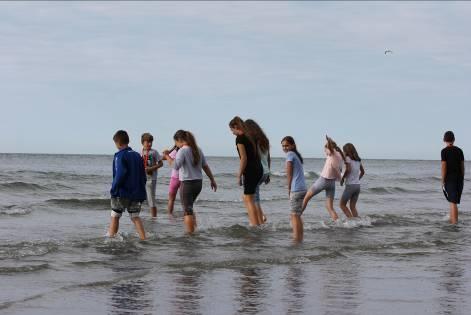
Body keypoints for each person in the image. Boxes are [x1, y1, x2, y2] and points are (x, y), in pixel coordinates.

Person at [163, 130, 217, 233]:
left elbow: (175, 166)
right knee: (189, 208)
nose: (176, 145)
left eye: (176, 143)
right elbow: (205, 166)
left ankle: (190, 235)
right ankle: (194, 229)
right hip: (198, 183)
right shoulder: (198, 149)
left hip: (187, 184)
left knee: (187, 211)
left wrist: (167, 156)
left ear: (179, 140)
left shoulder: (182, 150)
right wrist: (212, 180)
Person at [108, 130, 147, 240]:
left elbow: (120, 174)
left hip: (122, 192)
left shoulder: (119, 155)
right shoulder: (137, 155)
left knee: (115, 215)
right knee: (135, 217)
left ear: (118, 143)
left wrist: (114, 189)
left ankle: (111, 238)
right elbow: (143, 175)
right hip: (137, 193)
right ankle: (144, 238)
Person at [229, 116, 264, 226]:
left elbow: (243, 158)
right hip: (259, 169)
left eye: (232, 130)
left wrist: (239, 175)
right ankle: (258, 224)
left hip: (250, 171)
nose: (232, 133)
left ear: (236, 127)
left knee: (249, 200)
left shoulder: (240, 138)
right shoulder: (251, 136)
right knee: (251, 199)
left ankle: (255, 226)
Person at [302, 136, 344, 221]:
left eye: (325, 149)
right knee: (329, 207)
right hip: (332, 183)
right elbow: (339, 169)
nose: (325, 151)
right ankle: (339, 223)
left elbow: (329, 149)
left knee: (306, 198)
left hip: (323, 180)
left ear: (329, 148)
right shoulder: (340, 155)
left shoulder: (332, 153)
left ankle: (296, 217)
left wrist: (328, 140)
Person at [245, 119, 271, 223]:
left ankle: (258, 221)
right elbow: (268, 157)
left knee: (251, 199)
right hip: (264, 172)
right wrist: (268, 174)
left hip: (255, 172)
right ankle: (261, 218)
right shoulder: (264, 139)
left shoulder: (251, 140)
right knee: (256, 198)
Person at [282, 136, 306, 241]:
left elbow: (289, 174)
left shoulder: (290, 155)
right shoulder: (296, 155)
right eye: (283, 146)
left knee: (294, 215)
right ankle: (299, 237)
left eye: (287, 145)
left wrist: (288, 189)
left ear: (293, 145)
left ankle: (296, 239)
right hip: (302, 188)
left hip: (296, 189)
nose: (285, 148)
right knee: (297, 215)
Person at [441, 131, 465, 225]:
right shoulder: (459, 150)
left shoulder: (444, 151)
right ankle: (453, 221)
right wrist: (462, 178)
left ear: (444, 140)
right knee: (453, 201)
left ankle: (454, 224)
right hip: (459, 179)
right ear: (454, 139)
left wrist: (442, 180)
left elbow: (444, 166)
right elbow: (462, 166)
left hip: (450, 179)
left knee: (452, 202)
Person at [141, 133, 163, 218]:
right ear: (143, 142)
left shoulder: (154, 152)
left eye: (151, 142)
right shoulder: (140, 152)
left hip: (151, 179)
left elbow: (161, 164)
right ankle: (137, 216)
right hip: (142, 178)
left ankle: (154, 218)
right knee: (140, 198)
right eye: (148, 142)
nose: (150, 144)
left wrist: (151, 168)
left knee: (151, 199)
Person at [340, 143, 365, 218]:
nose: (344, 152)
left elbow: (348, 169)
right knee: (352, 207)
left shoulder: (348, 158)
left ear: (347, 151)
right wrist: (357, 179)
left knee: (342, 205)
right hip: (357, 186)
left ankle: (352, 221)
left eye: (344, 151)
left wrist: (343, 178)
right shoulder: (358, 160)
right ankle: (357, 222)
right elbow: (363, 172)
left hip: (350, 186)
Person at [162, 146, 180, 215]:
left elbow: (163, 157)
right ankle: (187, 216)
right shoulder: (186, 151)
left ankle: (170, 216)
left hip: (175, 178)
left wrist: (170, 150)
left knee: (171, 199)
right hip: (184, 178)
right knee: (186, 200)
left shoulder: (175, 152)